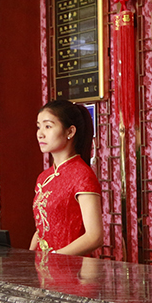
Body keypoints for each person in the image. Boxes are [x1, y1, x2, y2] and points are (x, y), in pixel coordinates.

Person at [30, 99, 104, 256]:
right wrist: (29, 259)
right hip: (45, 266)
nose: (40, 134)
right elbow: (41, 229)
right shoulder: (43, 178)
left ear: (70, 132)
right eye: (38, 127)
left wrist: (54, 258)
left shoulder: (82, 175)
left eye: (48, 126)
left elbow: (94, 237)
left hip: (72, 267)